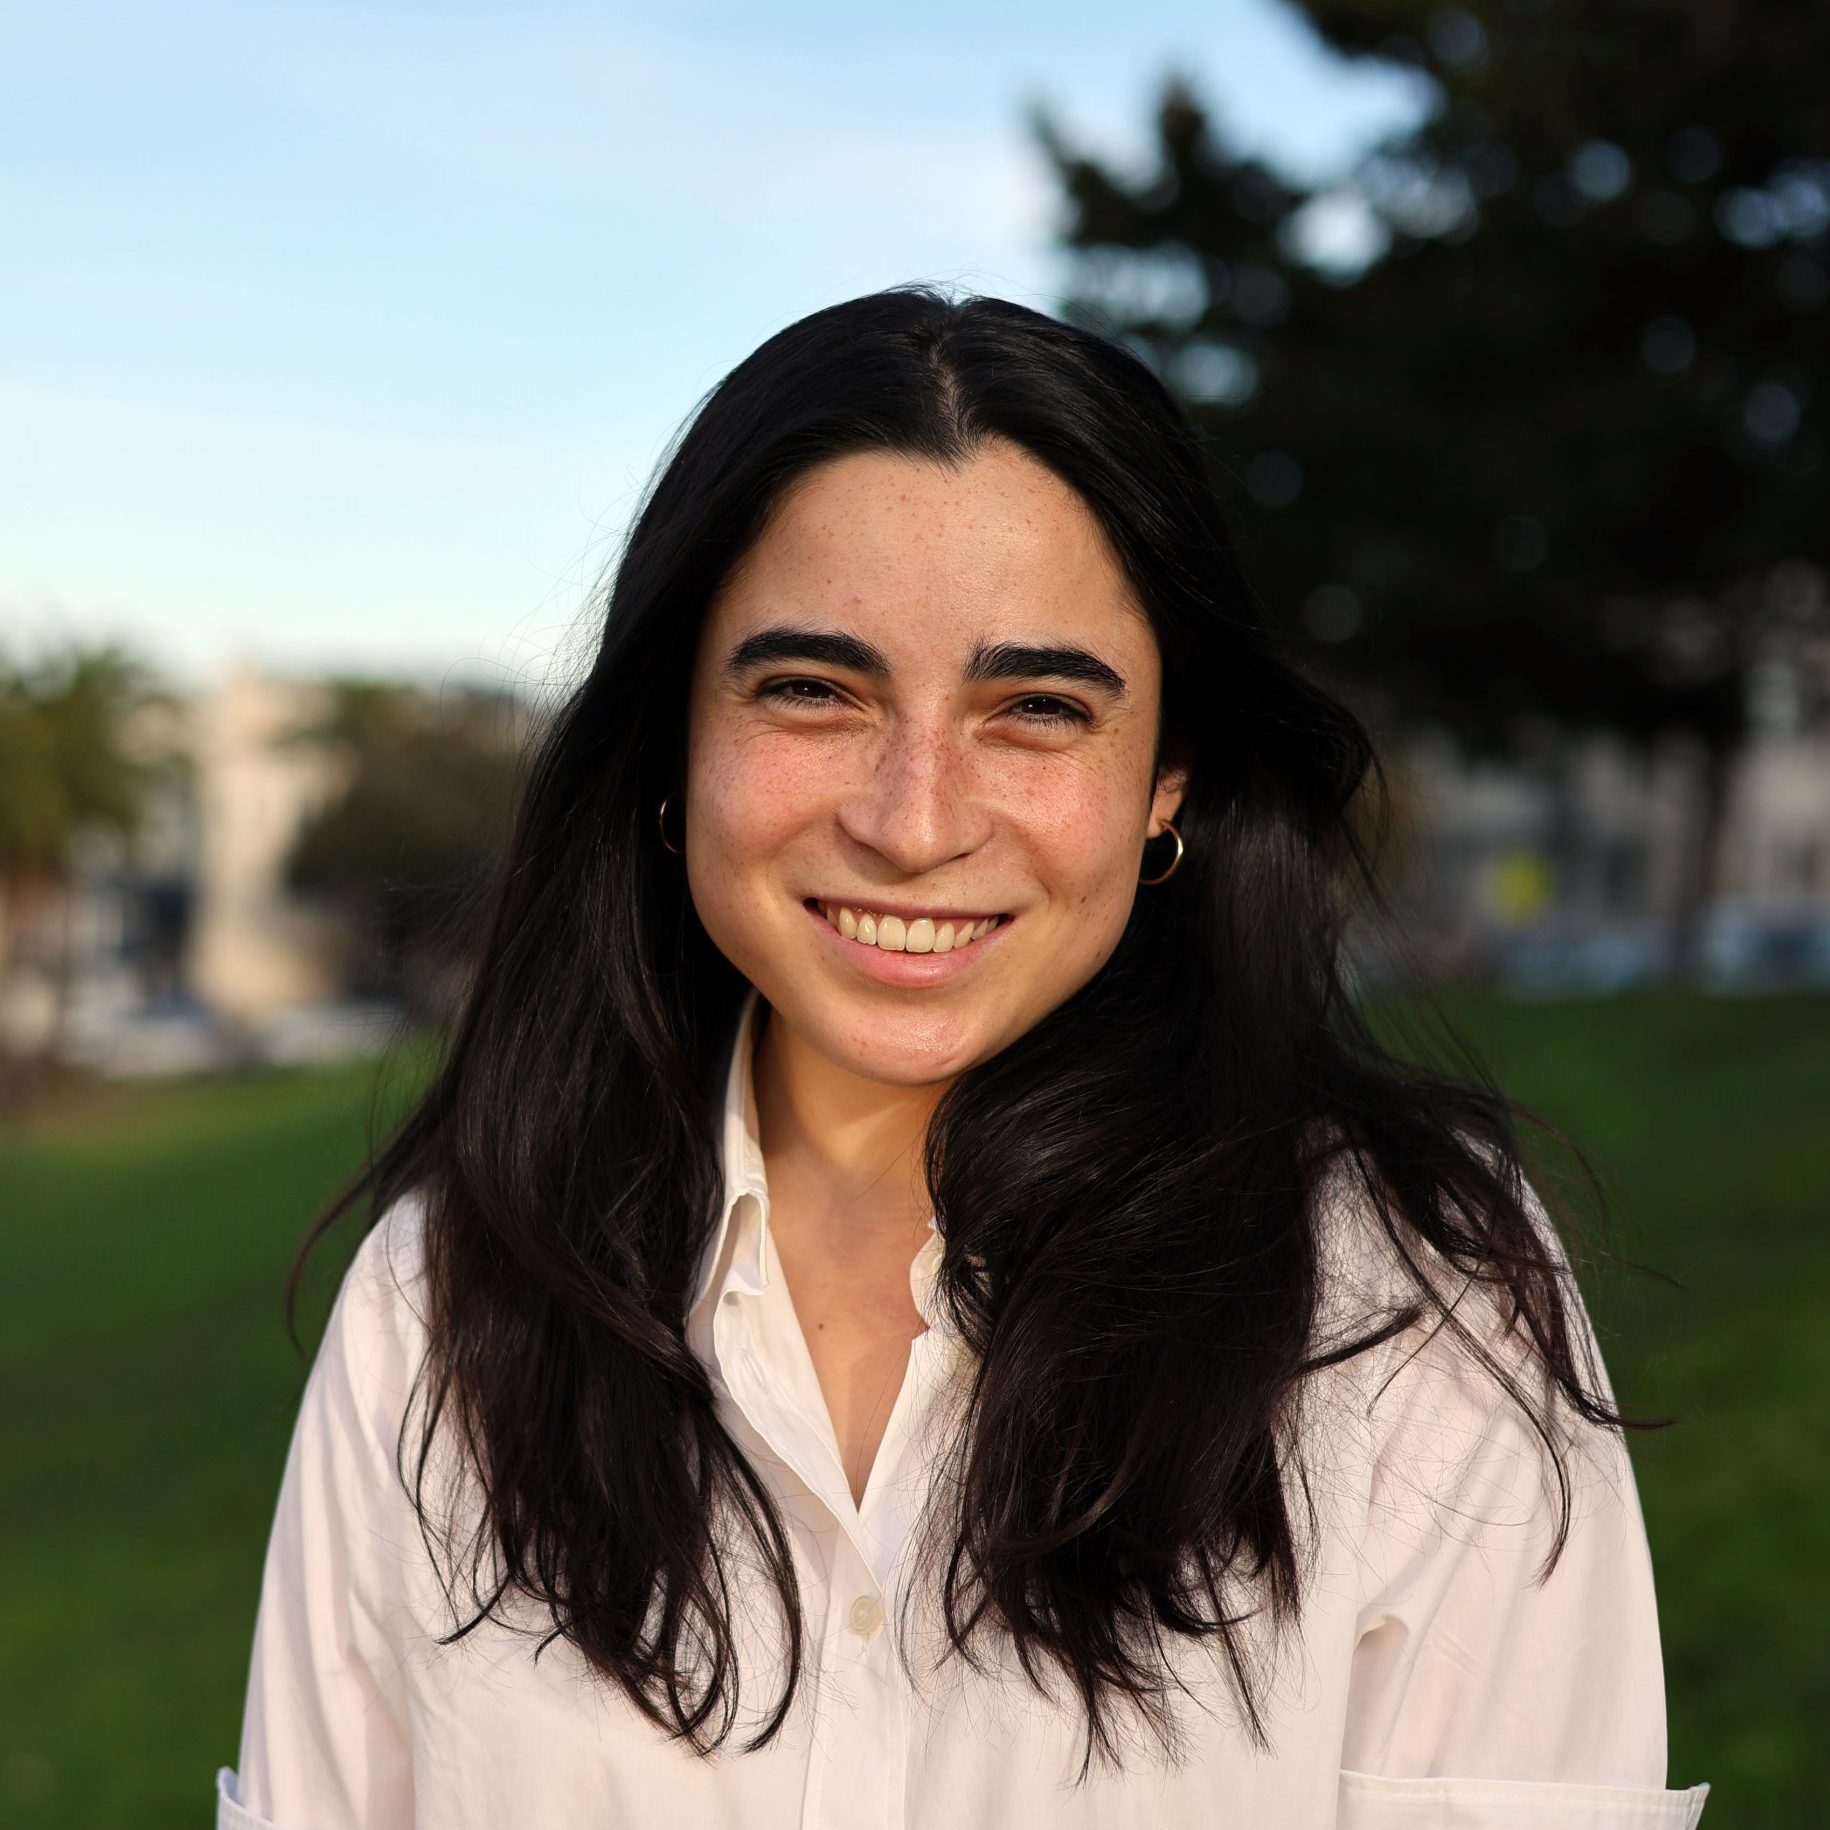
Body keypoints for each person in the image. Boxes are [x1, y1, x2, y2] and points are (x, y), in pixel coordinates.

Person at [214, 286, 1709, 1828]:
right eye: (813, 688)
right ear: (672, 738)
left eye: (1037, 708)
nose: (914, 819)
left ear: (1164, 781)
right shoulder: (441, 1297)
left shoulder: (1407, 1300)